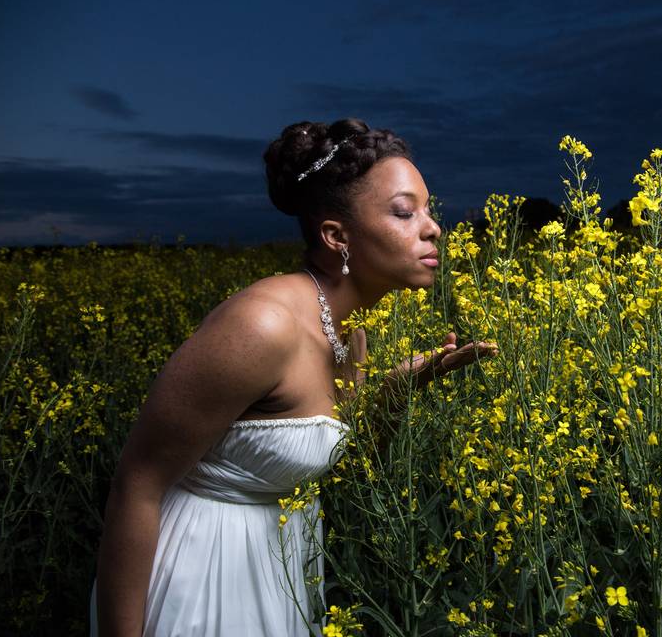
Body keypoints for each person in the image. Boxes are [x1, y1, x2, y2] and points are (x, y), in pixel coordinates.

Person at [90, 118, 499, 636]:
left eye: (428, 209)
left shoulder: (351, 335)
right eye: (404, 212)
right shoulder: (263, 326)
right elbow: (136, 484)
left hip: (279, 569)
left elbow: (336, 467)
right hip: (200, 573)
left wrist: (401, 389)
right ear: (336, 236)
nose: (433, 226)